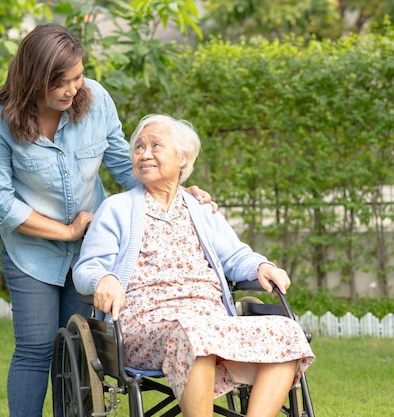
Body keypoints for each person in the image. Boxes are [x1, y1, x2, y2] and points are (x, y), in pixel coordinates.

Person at [0, 24, 214, 417]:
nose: (72, 89)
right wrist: (66, 230)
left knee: (80, 354)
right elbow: (0, 203)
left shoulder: (95, 99)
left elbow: (124, 163)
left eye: (77, 77)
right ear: (33, 78)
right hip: (31, 249)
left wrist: (179, 190)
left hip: (92, 248)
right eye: (60, 82)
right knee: (35, 348)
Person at [73, 114, 315, 417]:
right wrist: (104, 278)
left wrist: (261, 266)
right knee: (192, 333)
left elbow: (235, 256)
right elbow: (87, 267)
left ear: (182, 158)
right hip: (146, 326)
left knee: (286, 331)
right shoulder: (116, 208)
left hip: (211, 322)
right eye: (138, 147)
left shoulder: (200, 209)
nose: (144, 154)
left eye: (155, 146)